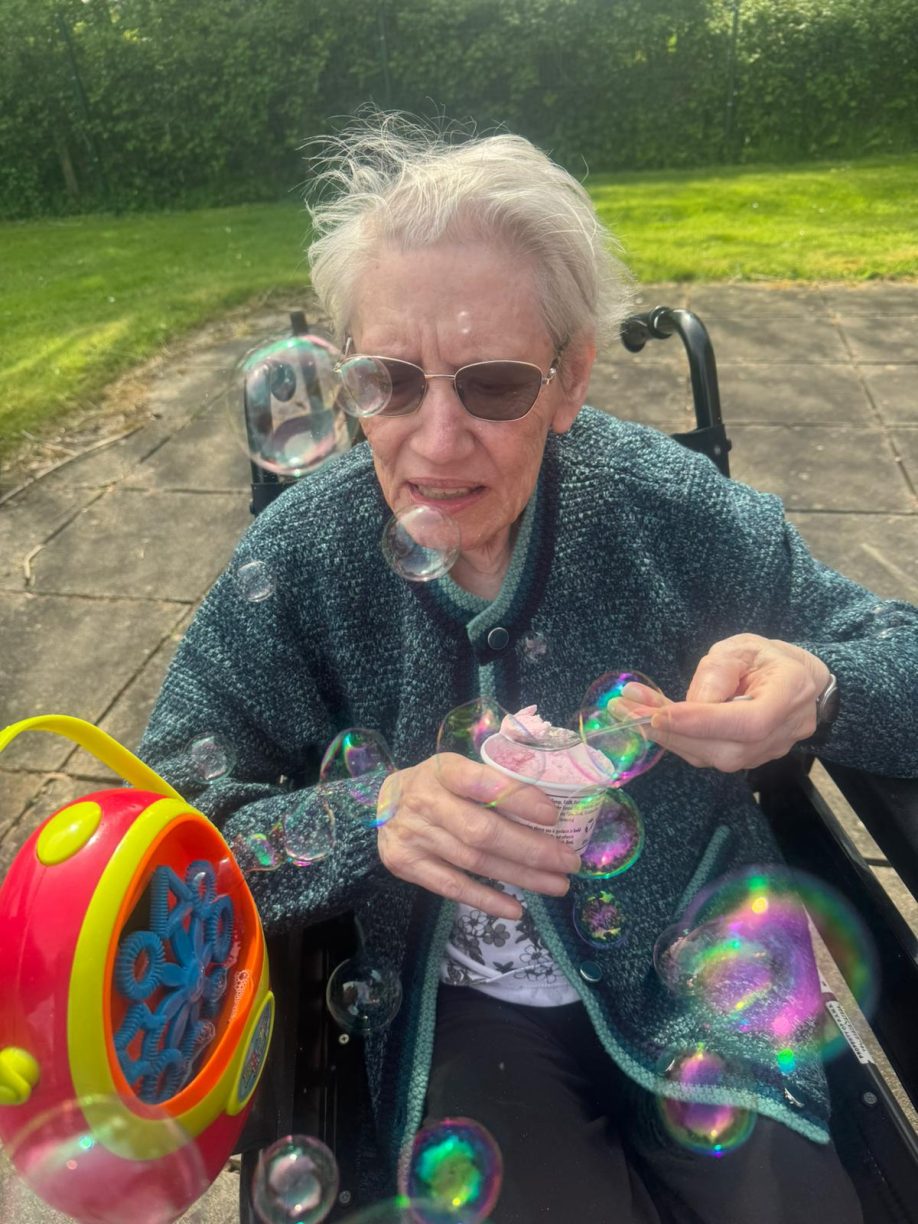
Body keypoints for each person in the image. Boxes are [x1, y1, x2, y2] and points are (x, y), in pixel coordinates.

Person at [139, 115, 918, 1223]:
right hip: (458, 1012)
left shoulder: (664, 510)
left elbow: (904, 653)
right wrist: (376, 815)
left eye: (495, 385)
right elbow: (159, 818)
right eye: (388, 382)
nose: (437, 440)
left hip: (701, 974)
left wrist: (820, 687)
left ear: (570, 380)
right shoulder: (307, 555)